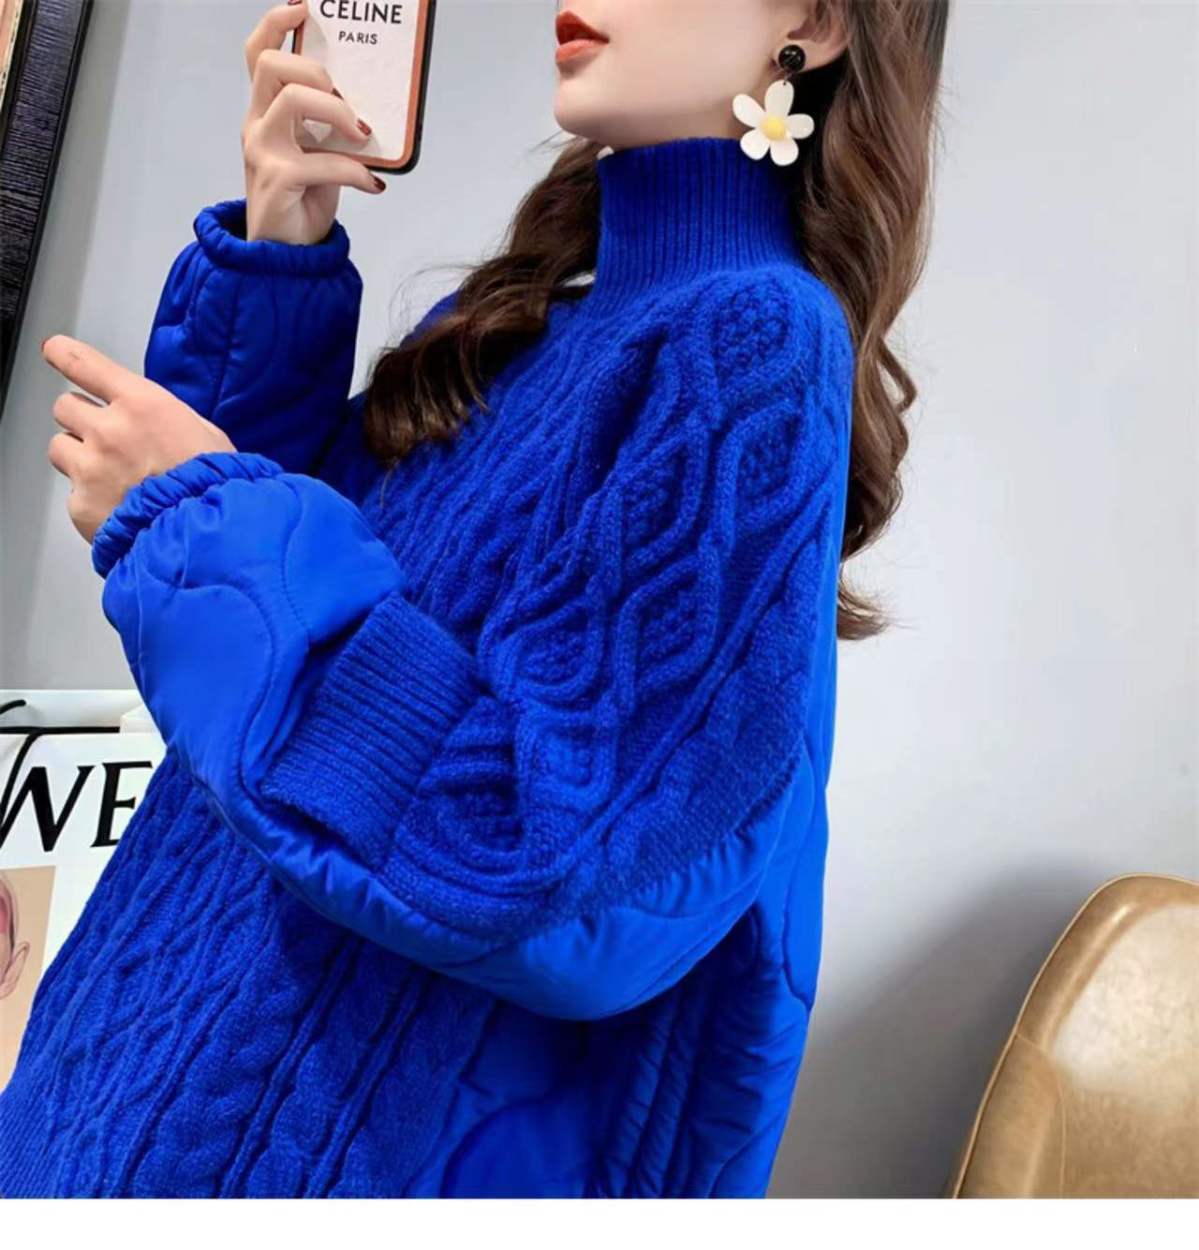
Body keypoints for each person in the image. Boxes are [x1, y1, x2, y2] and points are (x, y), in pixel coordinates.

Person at [0, 0, 949, 1197]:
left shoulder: (750, 341)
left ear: (811, 21)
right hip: (110, 1093)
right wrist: (283, 242)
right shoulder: (524, 325)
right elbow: (268, 708)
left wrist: (194, 516)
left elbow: (542, 850)